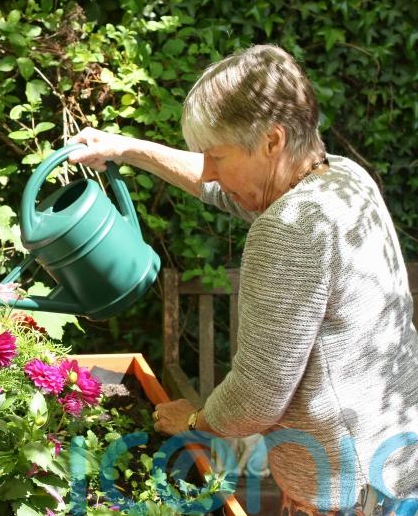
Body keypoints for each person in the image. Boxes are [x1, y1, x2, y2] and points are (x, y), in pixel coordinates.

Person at [68, 44, 418, 516]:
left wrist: (194, 417)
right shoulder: (344, 179)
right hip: (397, 456)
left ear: (272, 142)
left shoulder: (291, 227)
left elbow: (258, 394)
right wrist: (128, 149)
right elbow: (216, 185)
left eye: (217, 155)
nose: (209, 170)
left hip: (344, 492)